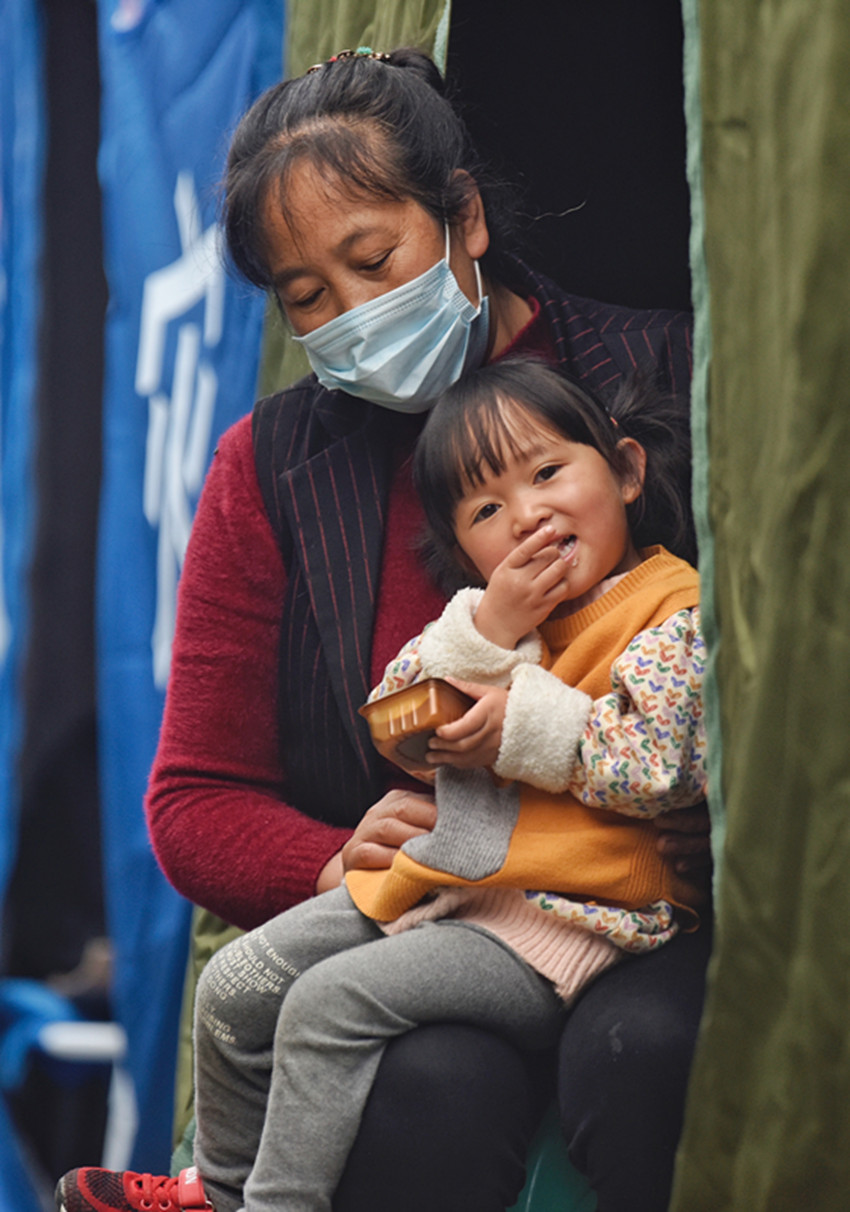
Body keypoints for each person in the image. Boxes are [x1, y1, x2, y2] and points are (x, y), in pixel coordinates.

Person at [56, 46, 711, 1212]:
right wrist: (331, 861)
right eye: (307, 298)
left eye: (373, 262)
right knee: (421, 1089)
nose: (354, 316)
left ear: (462, 216)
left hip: (640, 899)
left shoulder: (664, 370)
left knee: (646, 1056)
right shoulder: (270, 470)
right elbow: (196, 799)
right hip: (443, 918)